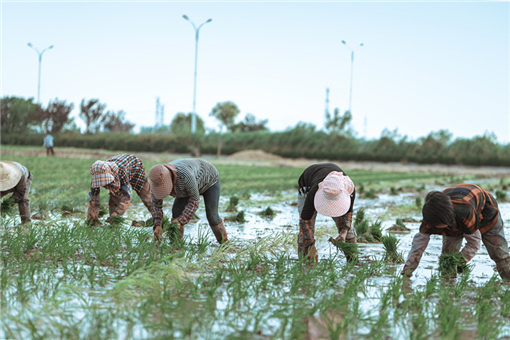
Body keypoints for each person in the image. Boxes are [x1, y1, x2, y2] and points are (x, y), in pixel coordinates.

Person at [401, 184, 510, 280]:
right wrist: (407, 272)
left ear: (448, 219)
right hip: (456, 212)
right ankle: (448, 284)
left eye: (441, 226)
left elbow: (474, 243)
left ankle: (508, 280)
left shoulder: (464, 211)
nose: (438, 229)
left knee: (499, 253)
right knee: (448, 254)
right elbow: (417, 247)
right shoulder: (431, 218)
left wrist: (458, 261)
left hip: (486, 211)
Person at [148, 158, 228, 244]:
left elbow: (195, 200)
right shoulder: (156, 180)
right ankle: (176, 245)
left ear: (170, 179)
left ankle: (224, 244)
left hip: (209, 180)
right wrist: (157, 225)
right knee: (176, 212)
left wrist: (181, 220)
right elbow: (156, 206)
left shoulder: (185, 176)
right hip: (187, 186)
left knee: (212, 216)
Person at [297, 163, 356, 261]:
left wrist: (343, 232)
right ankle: (305, 262)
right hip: (307, 186)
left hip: (333, 185)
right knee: (306, 231)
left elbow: (347, 214)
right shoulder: (313, 192)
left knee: (348, 232)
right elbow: (305, 220)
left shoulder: (349, 188)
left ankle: (352, 260)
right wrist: (310, 245)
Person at [87, 154, 152, 224]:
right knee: (114, 199)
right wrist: (92, 217)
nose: (105, 185)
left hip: (136, 169)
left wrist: (116, 214)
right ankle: (113, 223)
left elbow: (127, 198)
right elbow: (93, 199)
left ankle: (159, 219)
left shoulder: (121, 171)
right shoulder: (96, 174)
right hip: (120, 172)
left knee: (147, 198)